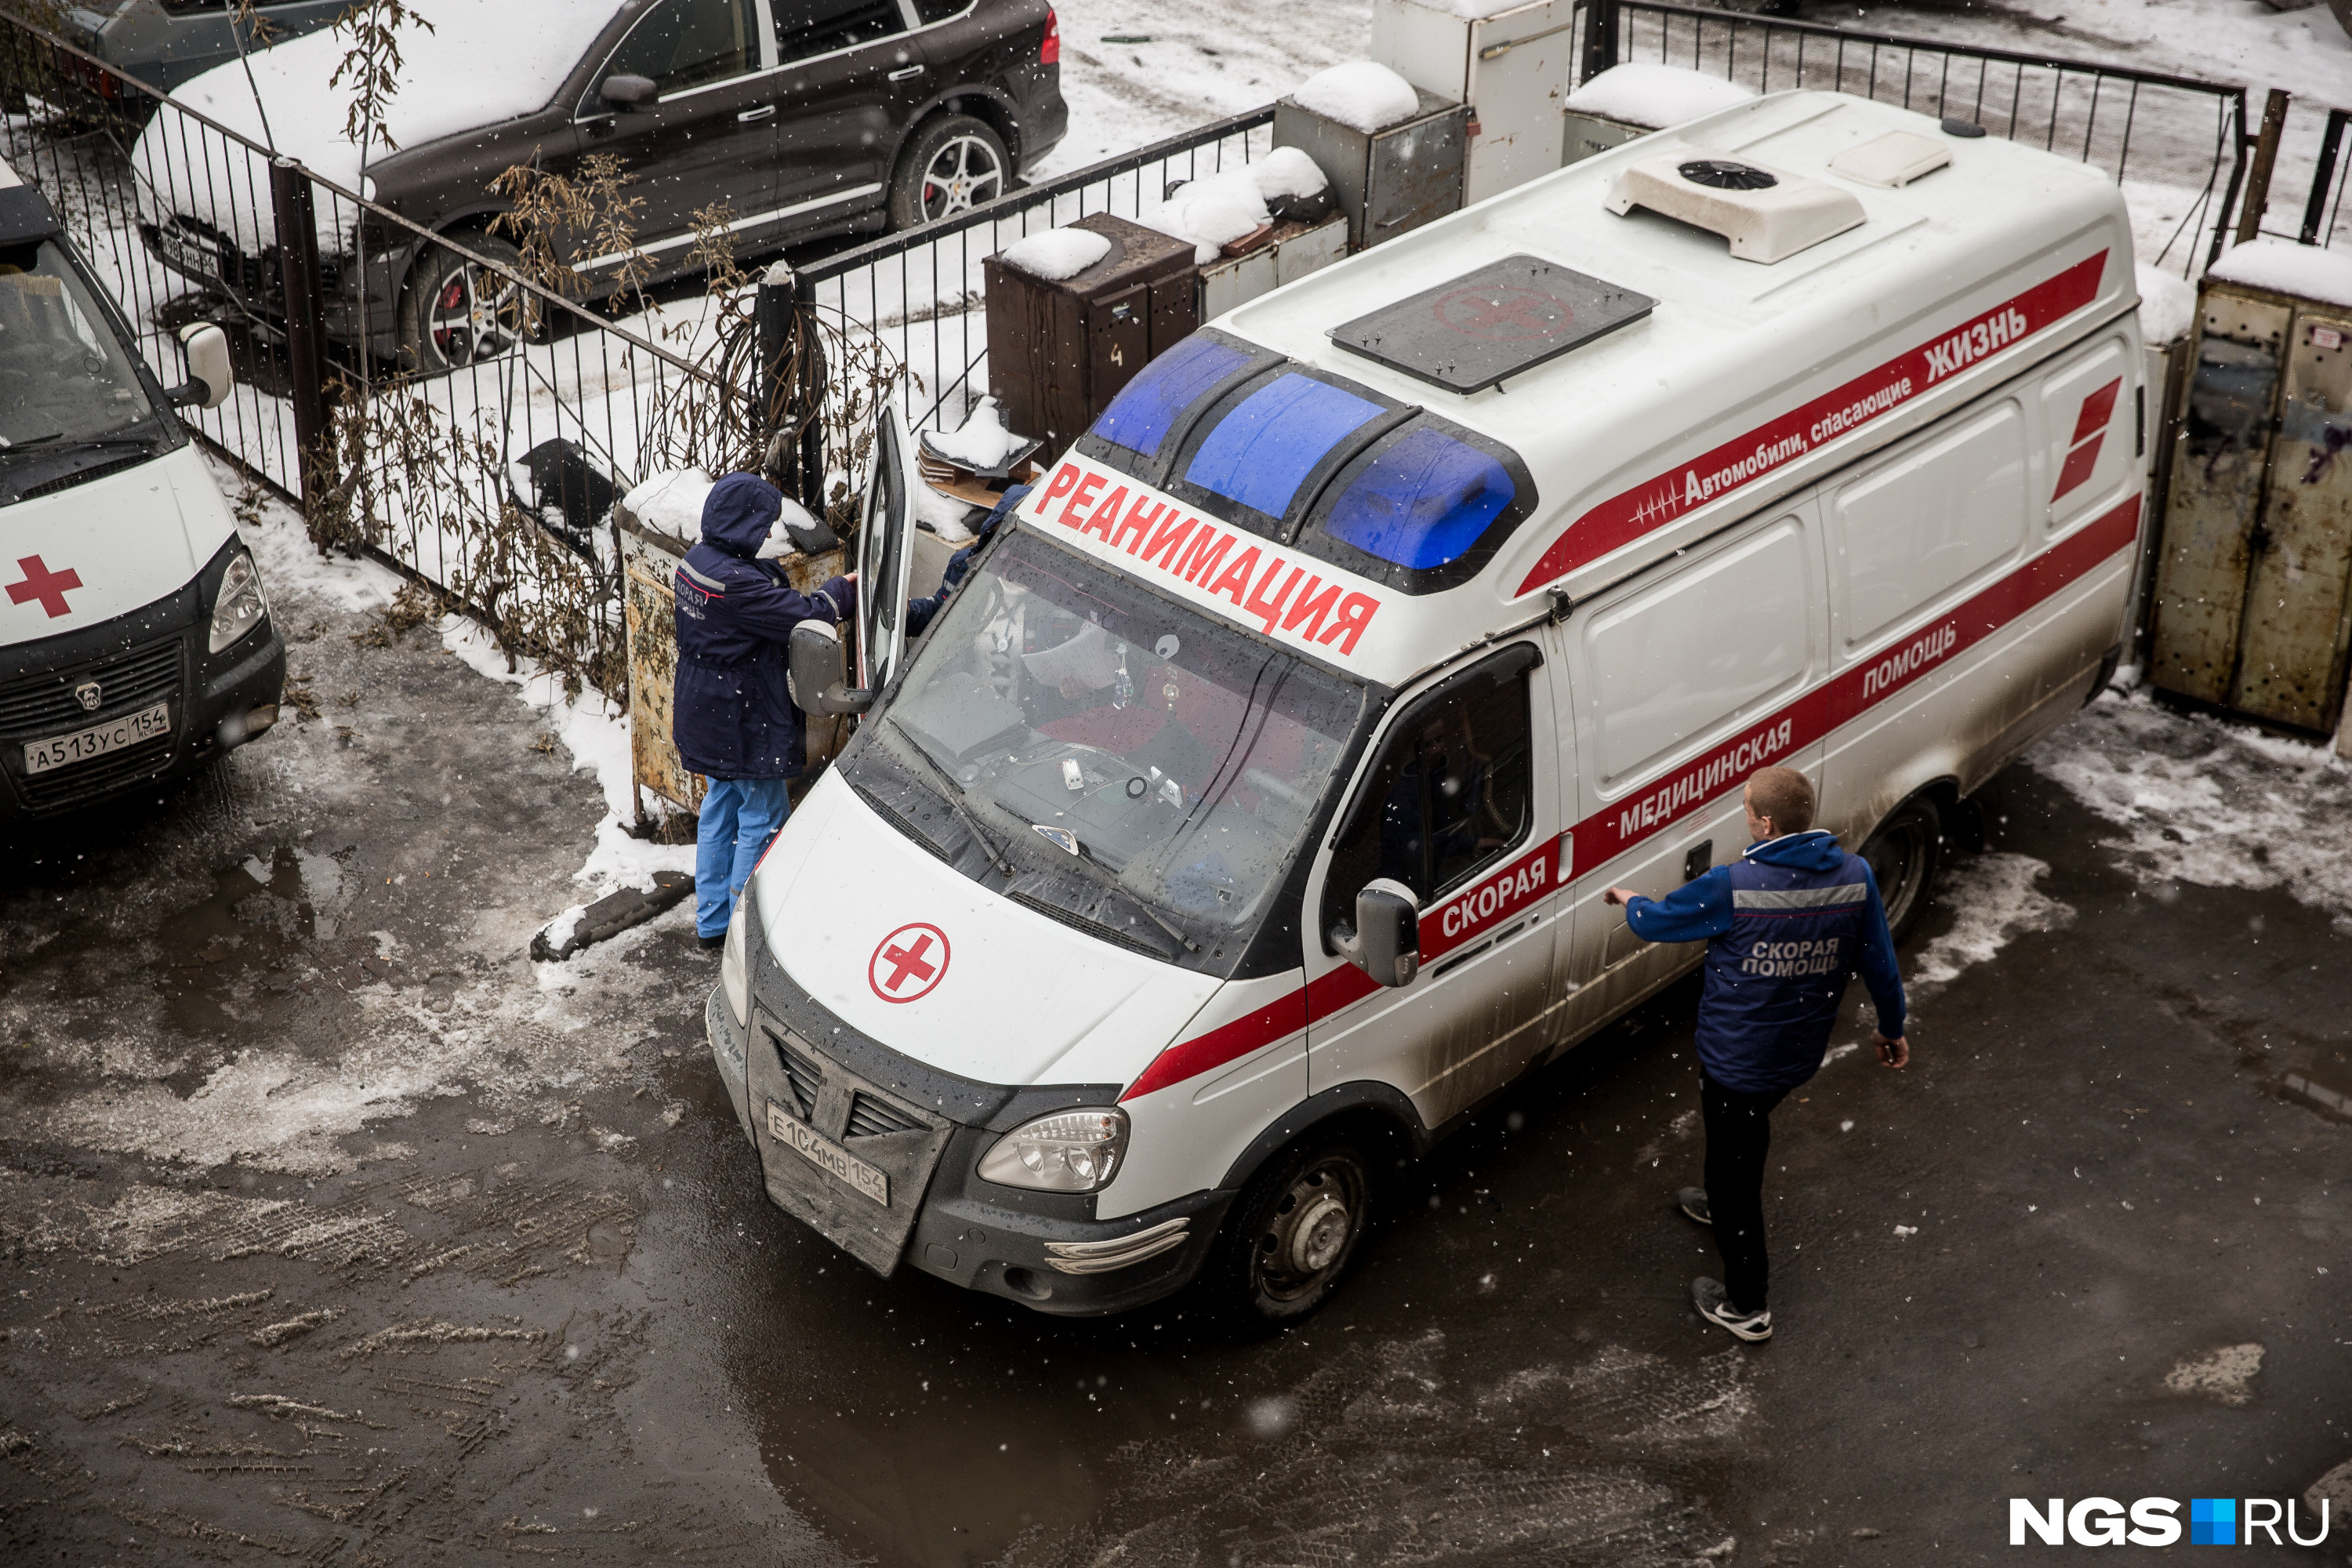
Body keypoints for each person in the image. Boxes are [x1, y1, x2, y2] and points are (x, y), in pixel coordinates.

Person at [1604, 765, 1908, 1342]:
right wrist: (1891, 1028)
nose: (1741, 811)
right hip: (1795, 1053)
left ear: (1765, 823)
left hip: (1735, 1058)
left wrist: (1629, 899)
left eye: (1745, 805)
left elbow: (1657, 922)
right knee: (1741, 1138)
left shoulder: (1733, 884)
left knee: (1735, 1167)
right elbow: (1881, 966)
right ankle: (1721, 1202)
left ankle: (1748, 1306)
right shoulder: (1856, 876)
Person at [673, 473, 855, 949]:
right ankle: (743, 925)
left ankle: (712, 920)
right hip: (741, 717)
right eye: (765, 523)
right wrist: (839, 593)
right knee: (764, 813)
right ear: (743, 526)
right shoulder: (736, 585)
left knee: (720, 807)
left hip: (703, 707)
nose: (772, 532)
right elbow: (802, 617)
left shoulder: (698, 562)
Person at [905, 482, 1027, 640]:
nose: (1008, 551)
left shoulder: (1052, 593)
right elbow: (940, 617)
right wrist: (909, 612)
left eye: (1020, 542)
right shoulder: (966, 566)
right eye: (1002, 537)